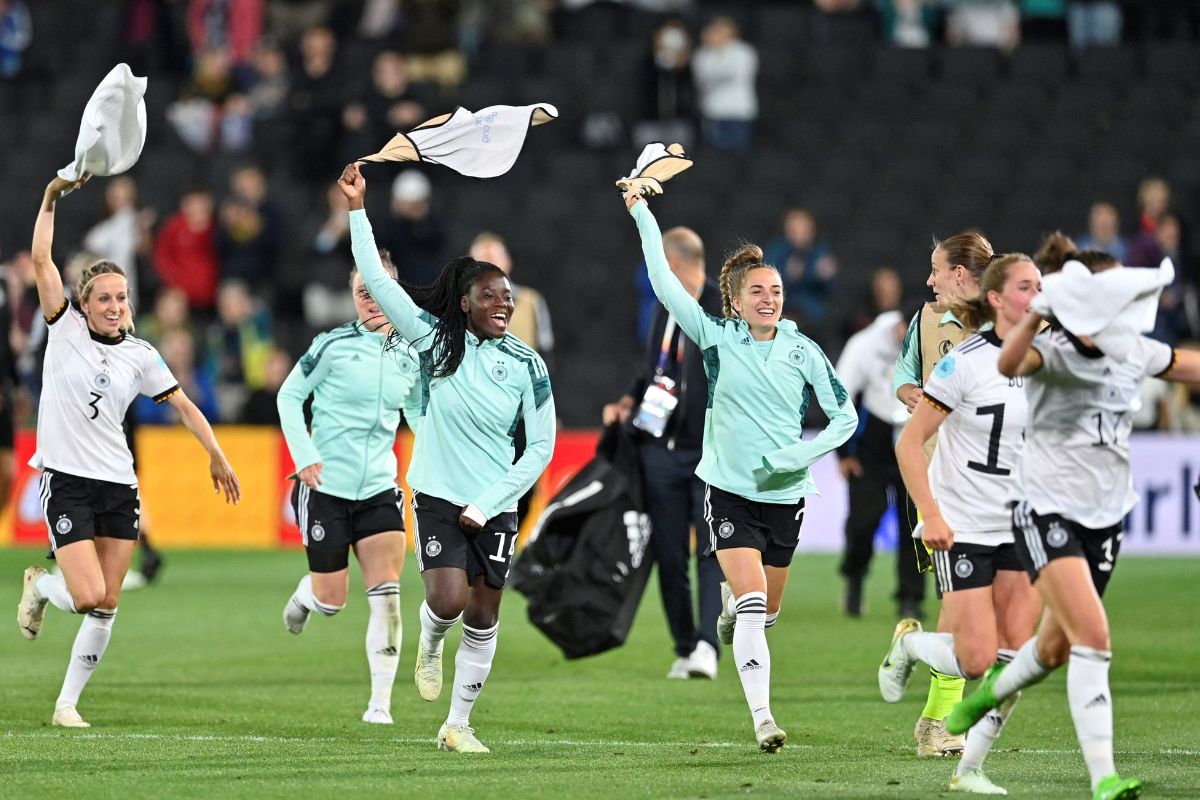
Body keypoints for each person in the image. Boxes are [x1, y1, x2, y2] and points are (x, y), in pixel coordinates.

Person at [947, 243, 1200, 800]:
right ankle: (1103, 777)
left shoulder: (1129, 347)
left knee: (1055, 650)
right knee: (1095, 636)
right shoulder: (1050, 348)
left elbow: (1186, 365)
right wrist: (1043, 309)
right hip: (1045, 510)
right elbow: (1009, 362)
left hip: (1107, 519)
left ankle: (989, 693)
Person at [624, 189, 857, 752]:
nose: (770, 299)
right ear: (734, 298)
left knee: (764, 611)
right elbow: (661, 278)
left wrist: (798, 457)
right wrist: (641, 212)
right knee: (755, 604)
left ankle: (732, 614)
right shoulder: (714, 338)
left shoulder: (803, 351)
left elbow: (845, 417)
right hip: (726, 490)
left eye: (776, 291)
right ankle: (763, 719)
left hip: (785, 495)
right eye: (758, 291)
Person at [337, 162, 555, 753]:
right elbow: (381, 287)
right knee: (449, 600)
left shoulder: (529, 365)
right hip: (435, 492)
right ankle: (430, 644)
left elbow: (541, 446)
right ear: (465, 302)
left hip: (497, 503)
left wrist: (492, 501)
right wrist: (358, 209)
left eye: (508, 297)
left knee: (484, 614)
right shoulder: (434, 340)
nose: (504, 305)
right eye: (491, 296)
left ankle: (458, 724)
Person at [16, 173, 240, 728]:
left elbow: (185, 405)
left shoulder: (140, 354)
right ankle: (41, 585)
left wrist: (216, 453)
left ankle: (67, 703)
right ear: (84, 303)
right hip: (66, 479)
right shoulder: (62, 326)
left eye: (122, 297)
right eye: (105, 298)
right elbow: (42, 257)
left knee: (108, 603)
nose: (115, 306)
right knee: (87, 594)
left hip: (119, 483)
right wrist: (49, 198)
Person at [878, 254, 1044, 795]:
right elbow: (909, 442)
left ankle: (968, 766)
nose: (1037, 295)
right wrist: (932, 514)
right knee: (975, 657)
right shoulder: (961, 363)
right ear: (996, 298)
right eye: (1026, 287)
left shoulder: (1046, 356)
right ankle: (909, 648)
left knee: (1016, 658)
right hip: (966, 520)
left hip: (1020, 520)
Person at [277, 247, 423, 725]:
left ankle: (379, 704)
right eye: (362, 291)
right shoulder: (332, 345)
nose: (370, 298)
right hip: (328, 488)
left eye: (378, 289)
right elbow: (290, 394)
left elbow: (419, 414)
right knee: (332, 602)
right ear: (353, 296)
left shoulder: (412, 352)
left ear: (394, 291)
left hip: (380, 487)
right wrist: (305, 456)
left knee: (388, 596)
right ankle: (306, 596)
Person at [601, 224, 724, 681]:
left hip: (707, 453)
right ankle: (685, 645)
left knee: (711, 551)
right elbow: (653, 369)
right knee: (669, 555)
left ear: (671, 264)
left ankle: (709, 647)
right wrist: (628, 399)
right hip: (660, 453)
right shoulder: (660, 311)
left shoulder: (722, 309)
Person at [892, 231, 993, 757]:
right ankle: (938, 724)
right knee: (963, 605)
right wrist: (912, 393)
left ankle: (911, 649)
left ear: (960, 273)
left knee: (997, 622)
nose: (928, 281)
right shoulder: (926, 321)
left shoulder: (1015, 324)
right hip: (945, 482)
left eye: (935, 269)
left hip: (1000, 489)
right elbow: (904, 376)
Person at [835, 307, 923, 619]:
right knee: (863, 521)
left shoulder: (933, 340)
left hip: (915, 444)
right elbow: (840, 394)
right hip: (870, 447)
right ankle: (855, 576)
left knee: (914, 525)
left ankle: (910, 598)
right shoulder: (865, 344)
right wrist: (843, 453)